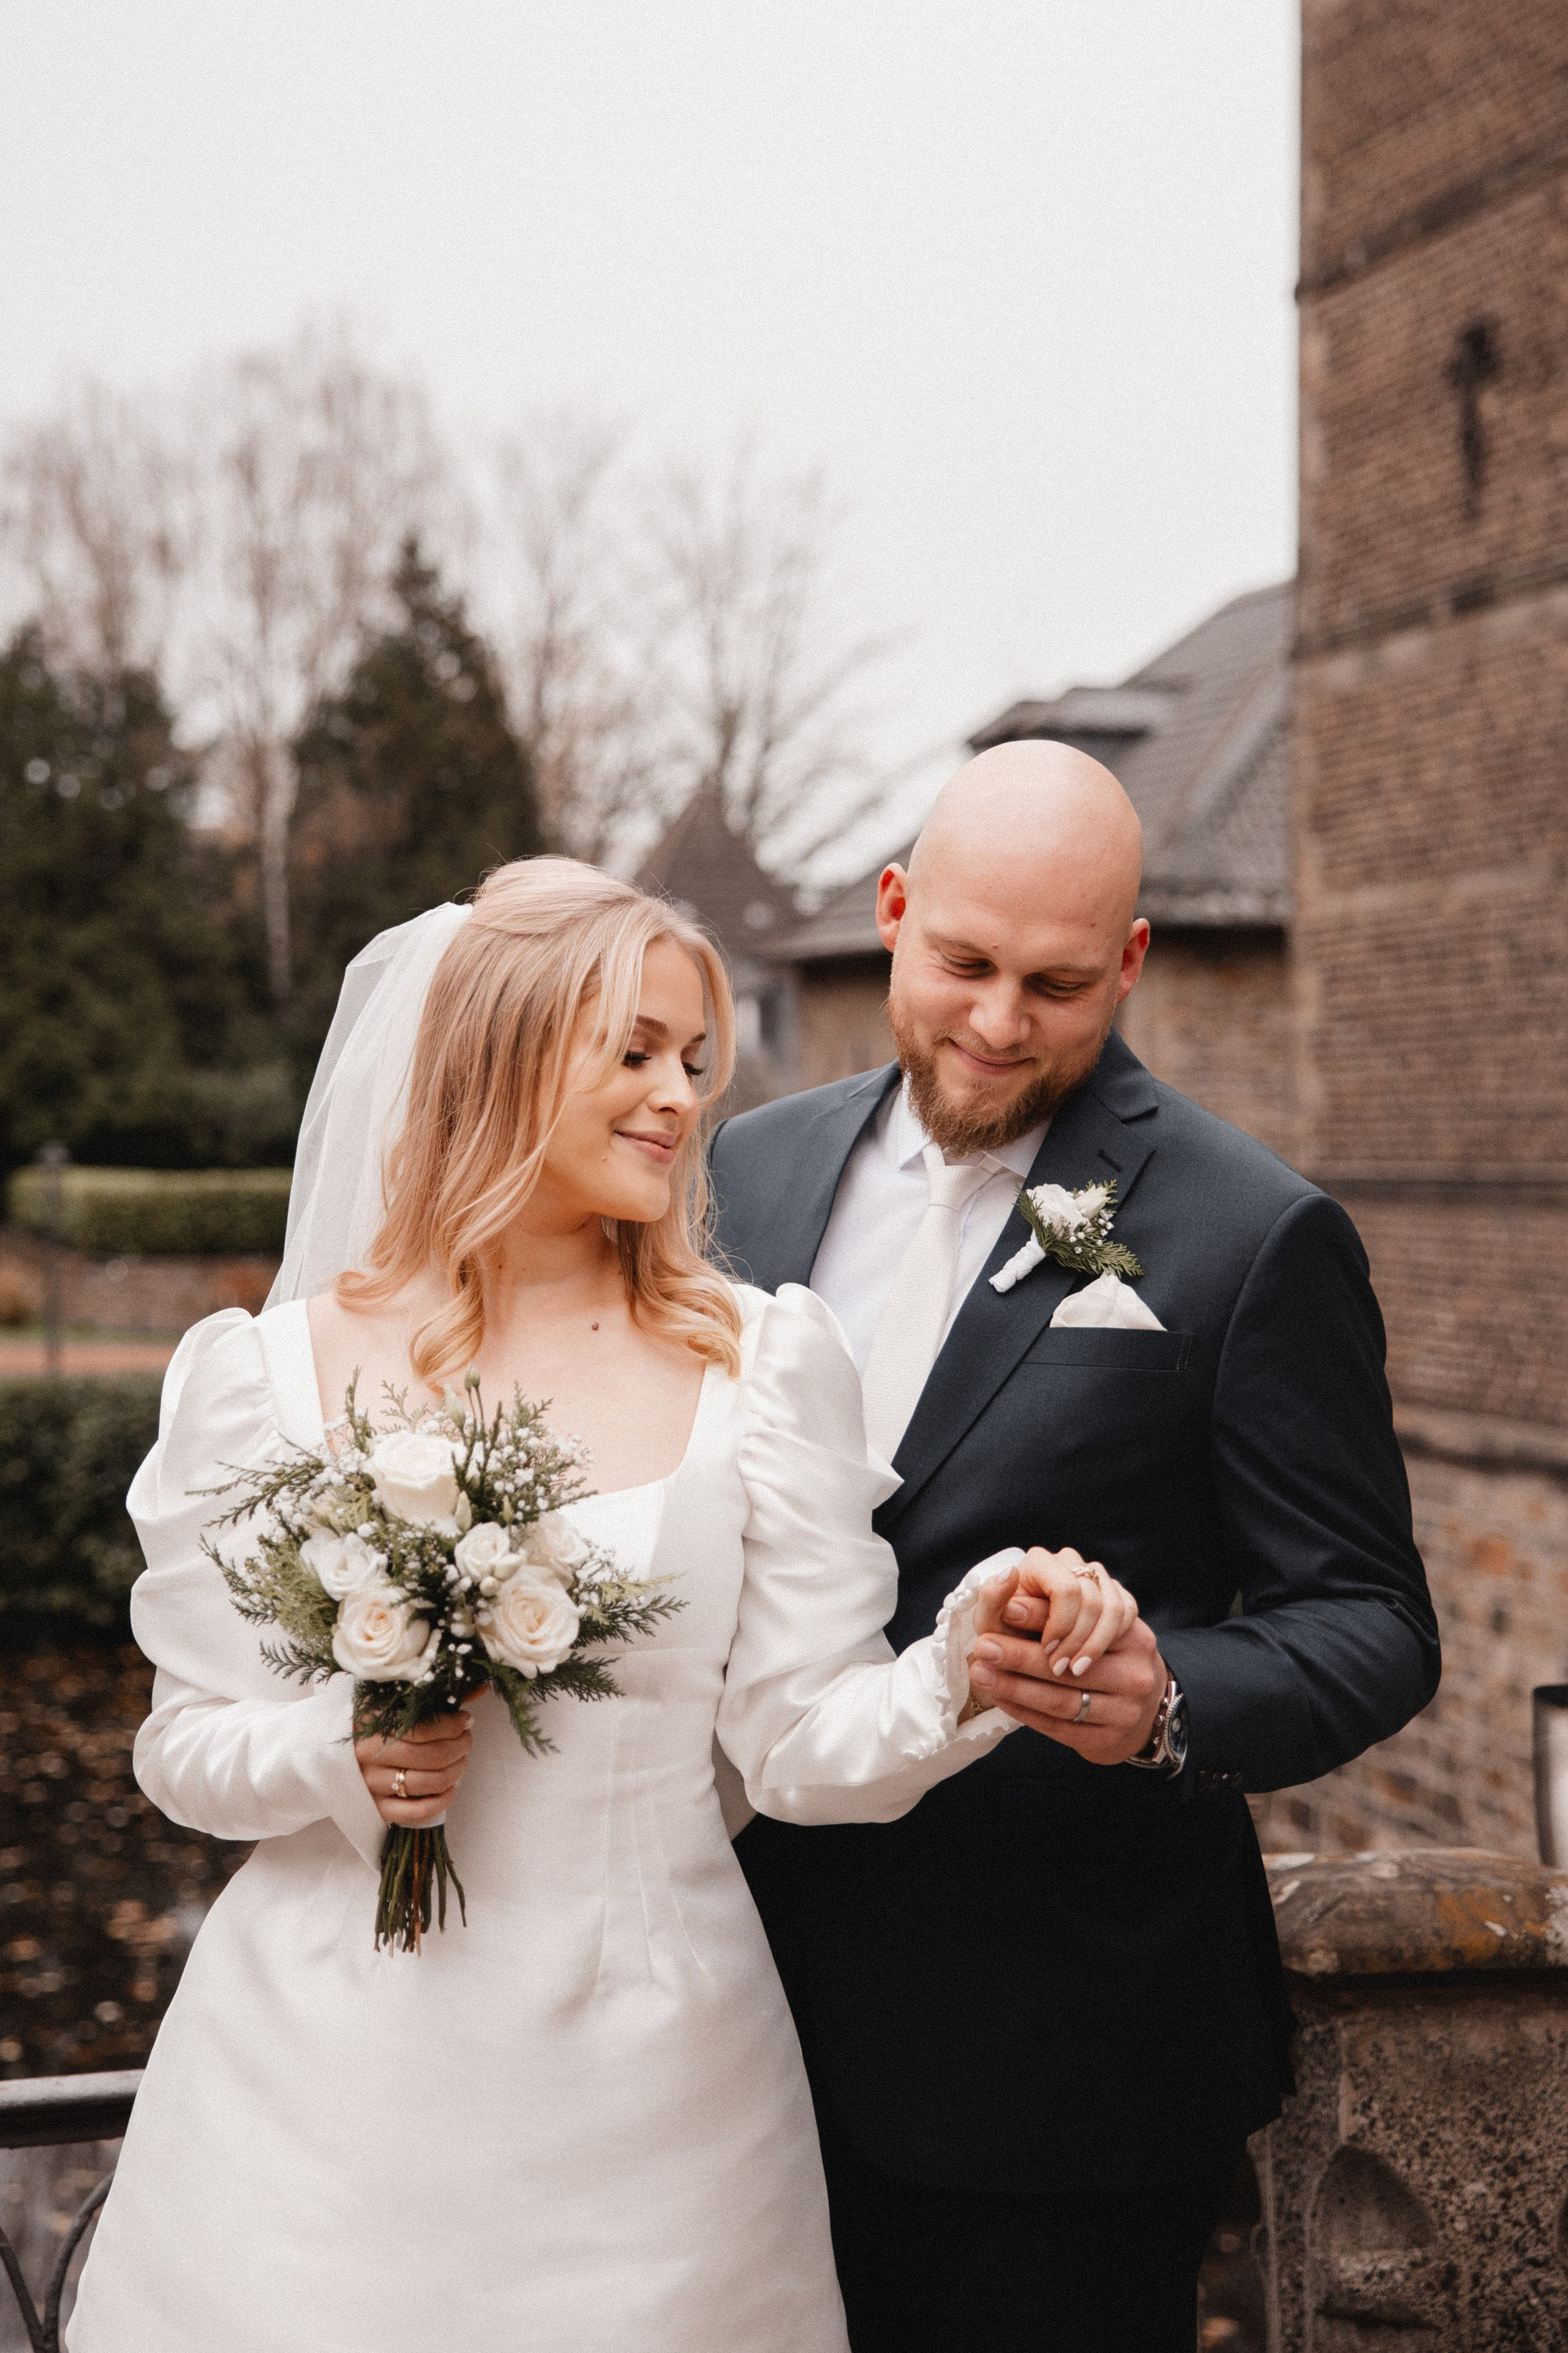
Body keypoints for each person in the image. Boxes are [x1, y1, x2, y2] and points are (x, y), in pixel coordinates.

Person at [68, 858, 1141, 2353]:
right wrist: (340, 1749)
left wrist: (960, 1659)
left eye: (692, 1059)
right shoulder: (261, 1377)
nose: (679, 1096)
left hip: (657, 2109)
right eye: (631, 1052)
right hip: (320, 2108)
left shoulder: (756, 1364)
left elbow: (795, 1748)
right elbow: (185, 1748)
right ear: (500, 1058)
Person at [710, 741, 1442, 2353]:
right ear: (893, 913)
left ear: (1130, 963)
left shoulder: (1250, 1233)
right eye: (963, 963)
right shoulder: (743, 1171)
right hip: (728, 2032)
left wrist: (1171, 1691)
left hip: (1061, 2079)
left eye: (1055, 984)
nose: (994, 1022)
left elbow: (1374, 1619)